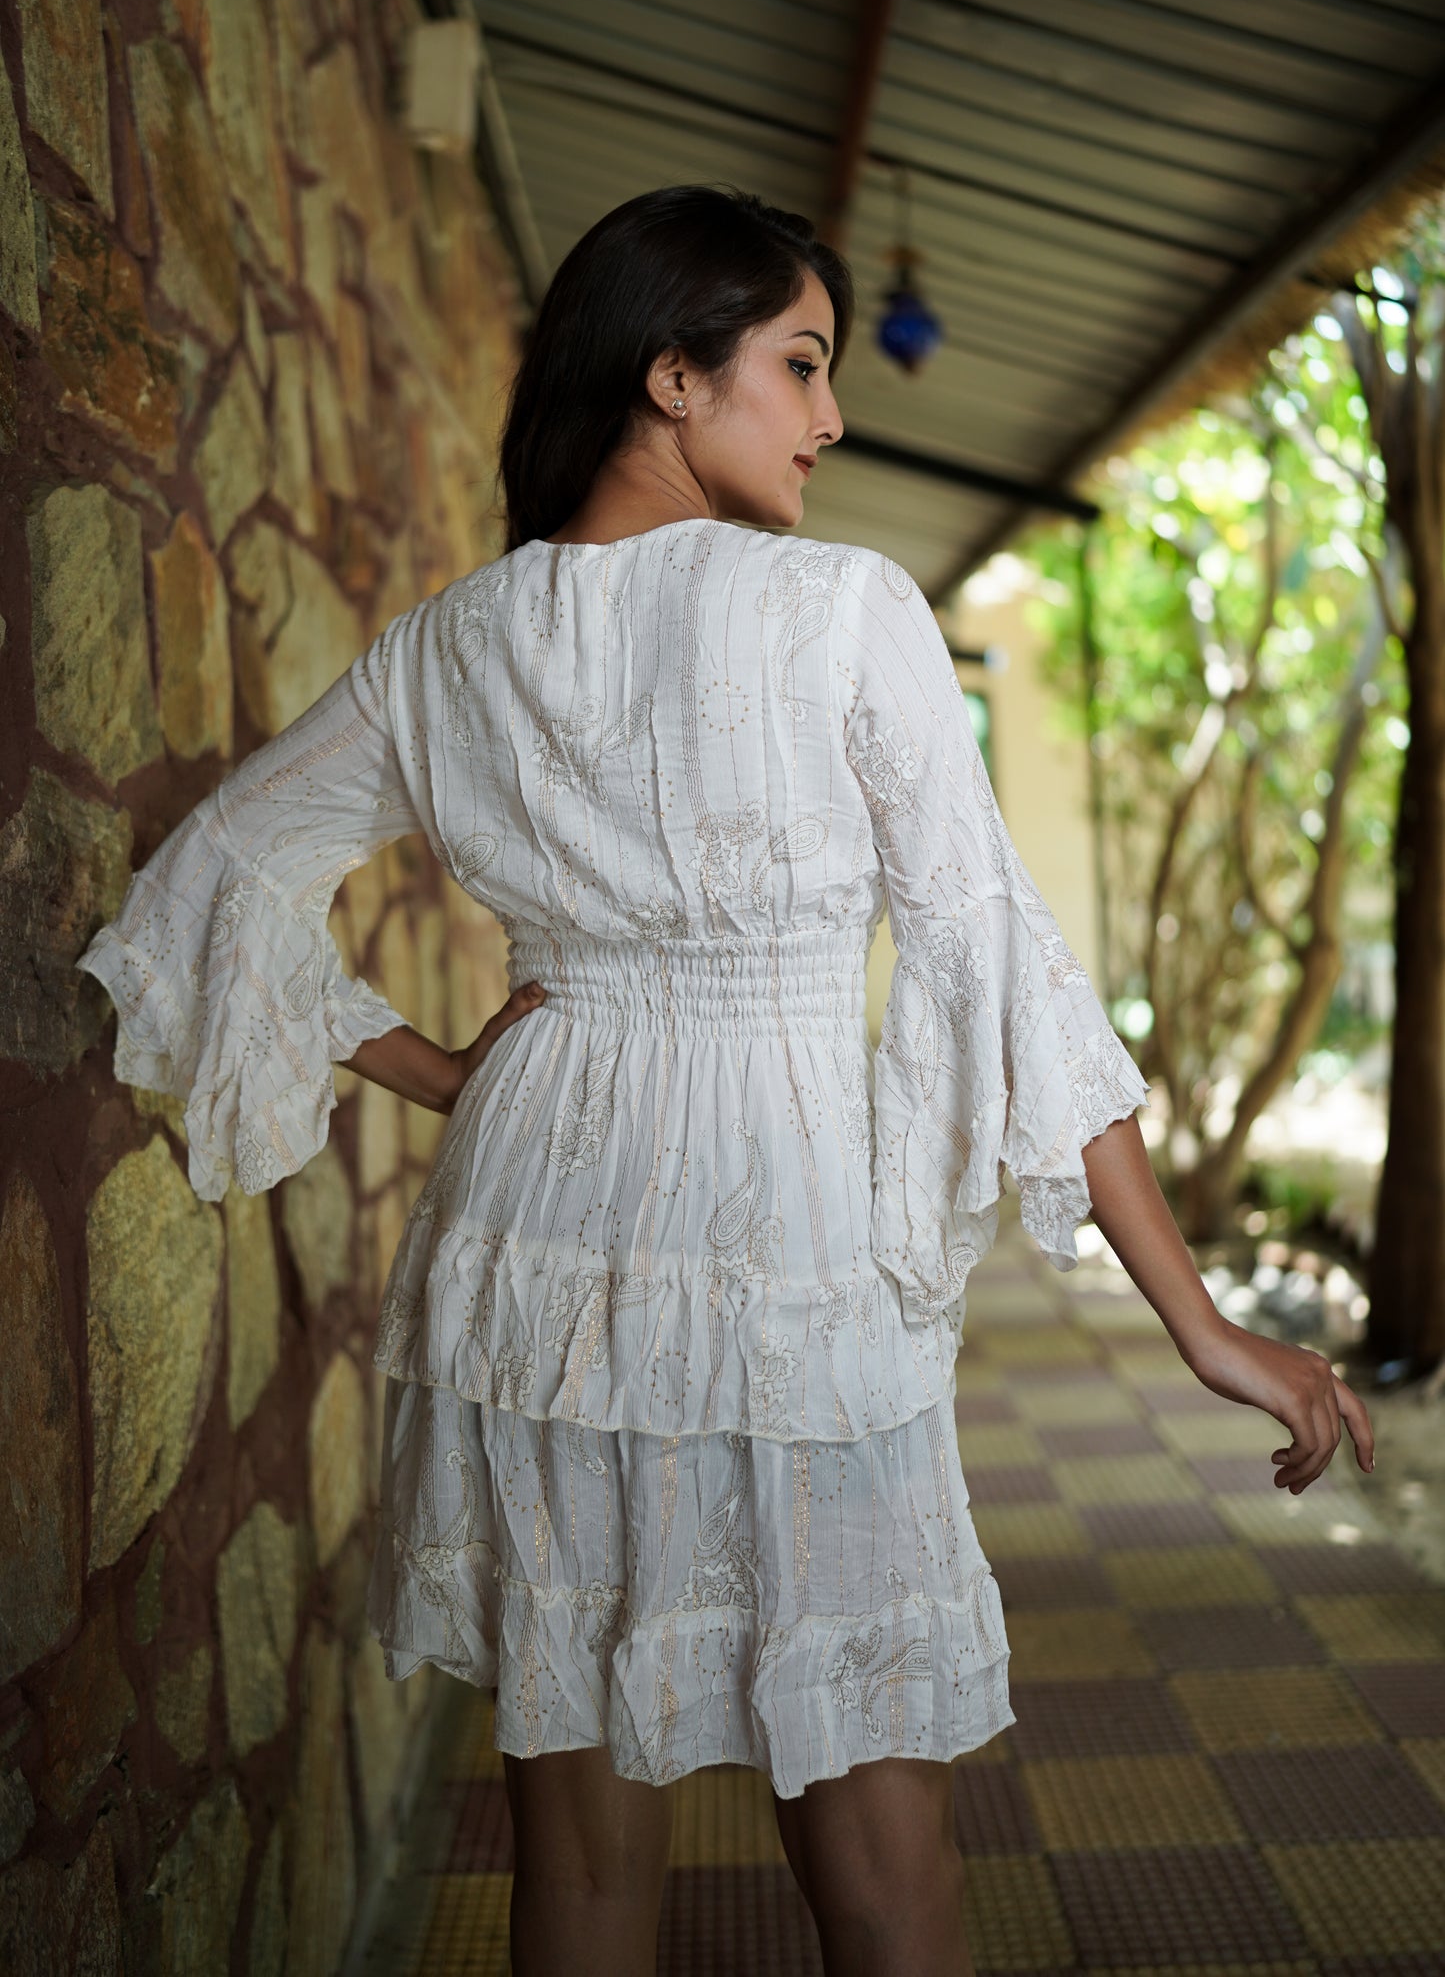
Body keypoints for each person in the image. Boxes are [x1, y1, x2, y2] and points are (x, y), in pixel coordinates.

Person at [76, 184, 1376, 1977]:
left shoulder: (453, 647)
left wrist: (444, 1070)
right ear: (670, 376)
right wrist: (1202, 1325)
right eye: (798, 362)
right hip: (784, 1240)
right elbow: (992, 959)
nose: (830, 416)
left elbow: (213, 877)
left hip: (533, 1243)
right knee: (884, 1871)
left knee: (583, 1872)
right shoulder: (845, 611)